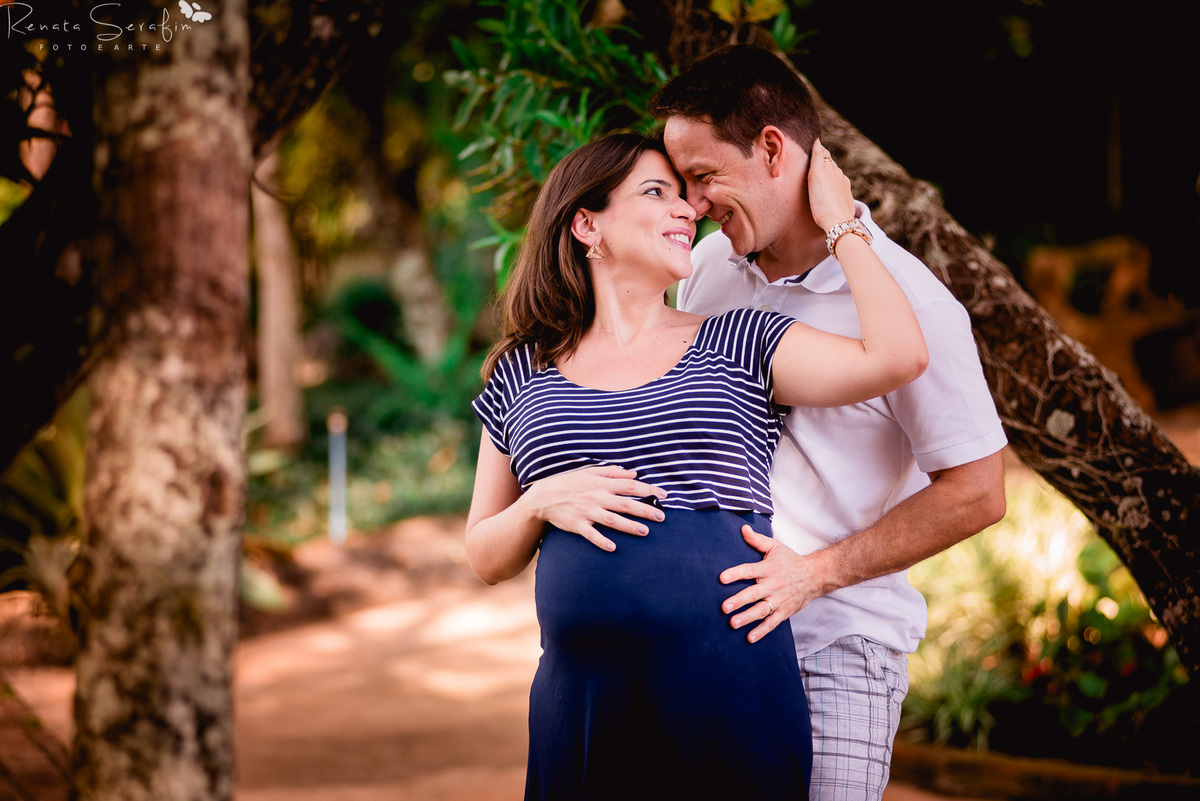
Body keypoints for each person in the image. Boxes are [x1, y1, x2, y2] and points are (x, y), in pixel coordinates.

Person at [465, 131, 928, 800]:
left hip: (730, 695)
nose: (687, 208)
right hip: (582, 707)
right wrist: (539, 502)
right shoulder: (522, 369)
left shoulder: (740, 339)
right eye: (657, 192)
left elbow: (898, 356)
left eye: (684, 196)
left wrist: (842, 225)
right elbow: (483, 554)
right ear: (587, 224)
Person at [634, 44, 1009, 800]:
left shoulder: (912, 303)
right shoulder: (705, 272)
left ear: (773, 150)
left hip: (838, 648)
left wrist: (814, 574)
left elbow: (979, 491)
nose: (693, 204)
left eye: (704, 176)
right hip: (710, 642)